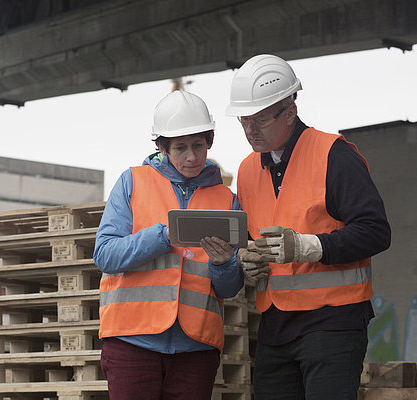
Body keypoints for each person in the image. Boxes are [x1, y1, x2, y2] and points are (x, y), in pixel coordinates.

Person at [226, 54, 391, 400]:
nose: (250, 130)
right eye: (243, 120)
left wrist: (308, 247)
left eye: (259, 119)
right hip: (276, 327)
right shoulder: (245, 170)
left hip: (333, 322)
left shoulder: (333, 154)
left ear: (289, 110)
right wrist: (247, 258)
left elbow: (376, 231)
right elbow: (255, 237)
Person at [94, 90, 244, 400]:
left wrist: (224, 264)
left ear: (210, 141)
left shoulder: (227, 201)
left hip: (196, 348)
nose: (192, 157)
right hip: (132, 342)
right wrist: (163, 236)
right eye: (180, 148)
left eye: (199, 145)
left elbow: (229, 289)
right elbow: (105, 255)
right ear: (162, 147)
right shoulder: (132, 182)